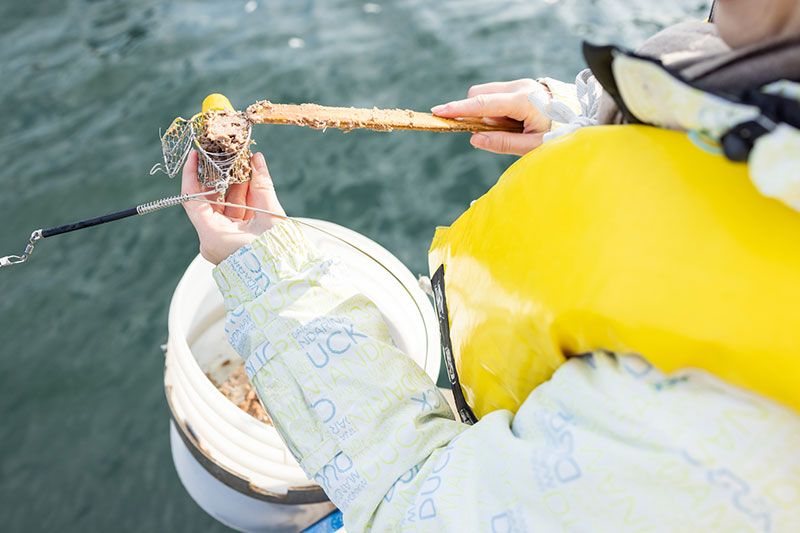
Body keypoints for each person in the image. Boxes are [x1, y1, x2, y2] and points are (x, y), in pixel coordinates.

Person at [182, 1, 800, 530]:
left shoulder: (737, 445)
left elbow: (416, 503)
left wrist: (270, 277)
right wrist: (586, 118)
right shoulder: (765, 38)